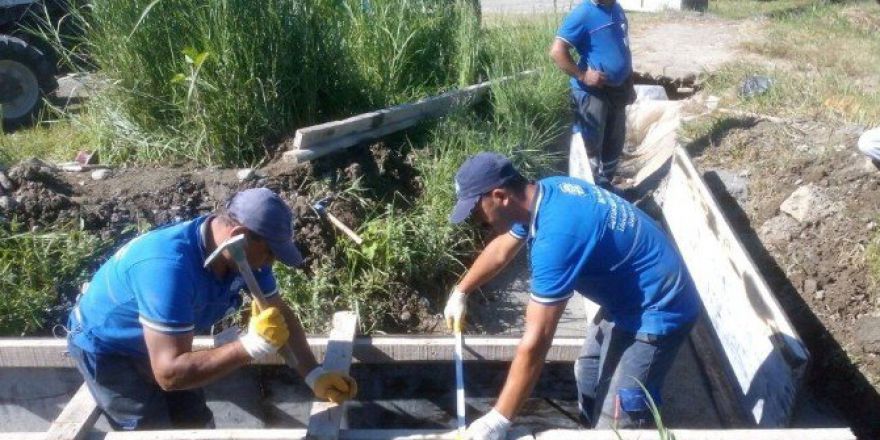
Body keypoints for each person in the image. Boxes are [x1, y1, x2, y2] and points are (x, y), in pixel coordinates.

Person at [442, 153, 701, 439]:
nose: (479, 221)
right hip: (626, 295)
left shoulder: (557, 238)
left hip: (659, 307)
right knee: (588, 372)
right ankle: (592, 429)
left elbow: (538, 338)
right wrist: (461, 290)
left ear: (500, 195)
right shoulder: (542, 193)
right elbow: (503, 248)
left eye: (477, 212)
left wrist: (499, 419)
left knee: (619, 416)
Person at [66, 188, 357, 430]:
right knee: (149, 431)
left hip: (164, 342)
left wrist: (313, 374)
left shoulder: (242, 254)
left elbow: (277, 312)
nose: (271, 262)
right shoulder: (168, 269)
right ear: (239, 234)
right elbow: (169, 373)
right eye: (270, 252)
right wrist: (251, 346)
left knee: (196, 424)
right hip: (110, 350)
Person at [549, 0, 635, 191]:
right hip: (592, 93)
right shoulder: (583, 14)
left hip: (617, 90)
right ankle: (586, 192)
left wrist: (629, 83)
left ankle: (606, 186)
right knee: (589, 146)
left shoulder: (616, 8)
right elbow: (557, 51)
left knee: (615, 140)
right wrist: (582, 75)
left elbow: (623, 48)